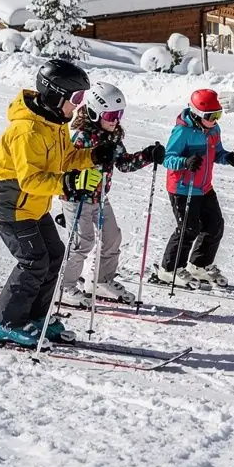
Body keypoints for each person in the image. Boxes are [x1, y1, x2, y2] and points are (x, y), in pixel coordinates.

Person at [0, 59, 113, 347]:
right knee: (33, 261)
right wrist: (67, 184)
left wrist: (94, 155)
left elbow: (64, 160)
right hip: (9, 203)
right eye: (75, 98)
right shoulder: (27, 131)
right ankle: (6, 323)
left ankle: (36, 317)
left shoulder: (54, 123)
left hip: (32, 204)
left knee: (54, 256)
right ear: (55, 94)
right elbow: (31, 179)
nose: (78, 106)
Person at [59, 81, 165, 306]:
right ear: (96, 113)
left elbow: (124, 164)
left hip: (100, 199)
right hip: (78, 199)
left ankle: (101, 281)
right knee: (82, 243)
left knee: (112, 237)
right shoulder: (82, 138)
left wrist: (147, 156)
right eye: (111, 115)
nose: (116, 119)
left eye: (119, 114)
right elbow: (66, 168)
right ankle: (64, 285)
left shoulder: (114, 136)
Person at [158, 89, 234, 288]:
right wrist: (185, 161)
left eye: (218, 115)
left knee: (215, 225)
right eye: (210, 116)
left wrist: (230, 157)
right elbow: (167, 158)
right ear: (197, 114)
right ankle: (169, 269)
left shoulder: (214, 130)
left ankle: (199, 264)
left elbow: (217, 153)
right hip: (182, 188)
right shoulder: (182, 131)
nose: (215, 120)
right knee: (188, 228)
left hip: (204, 187)